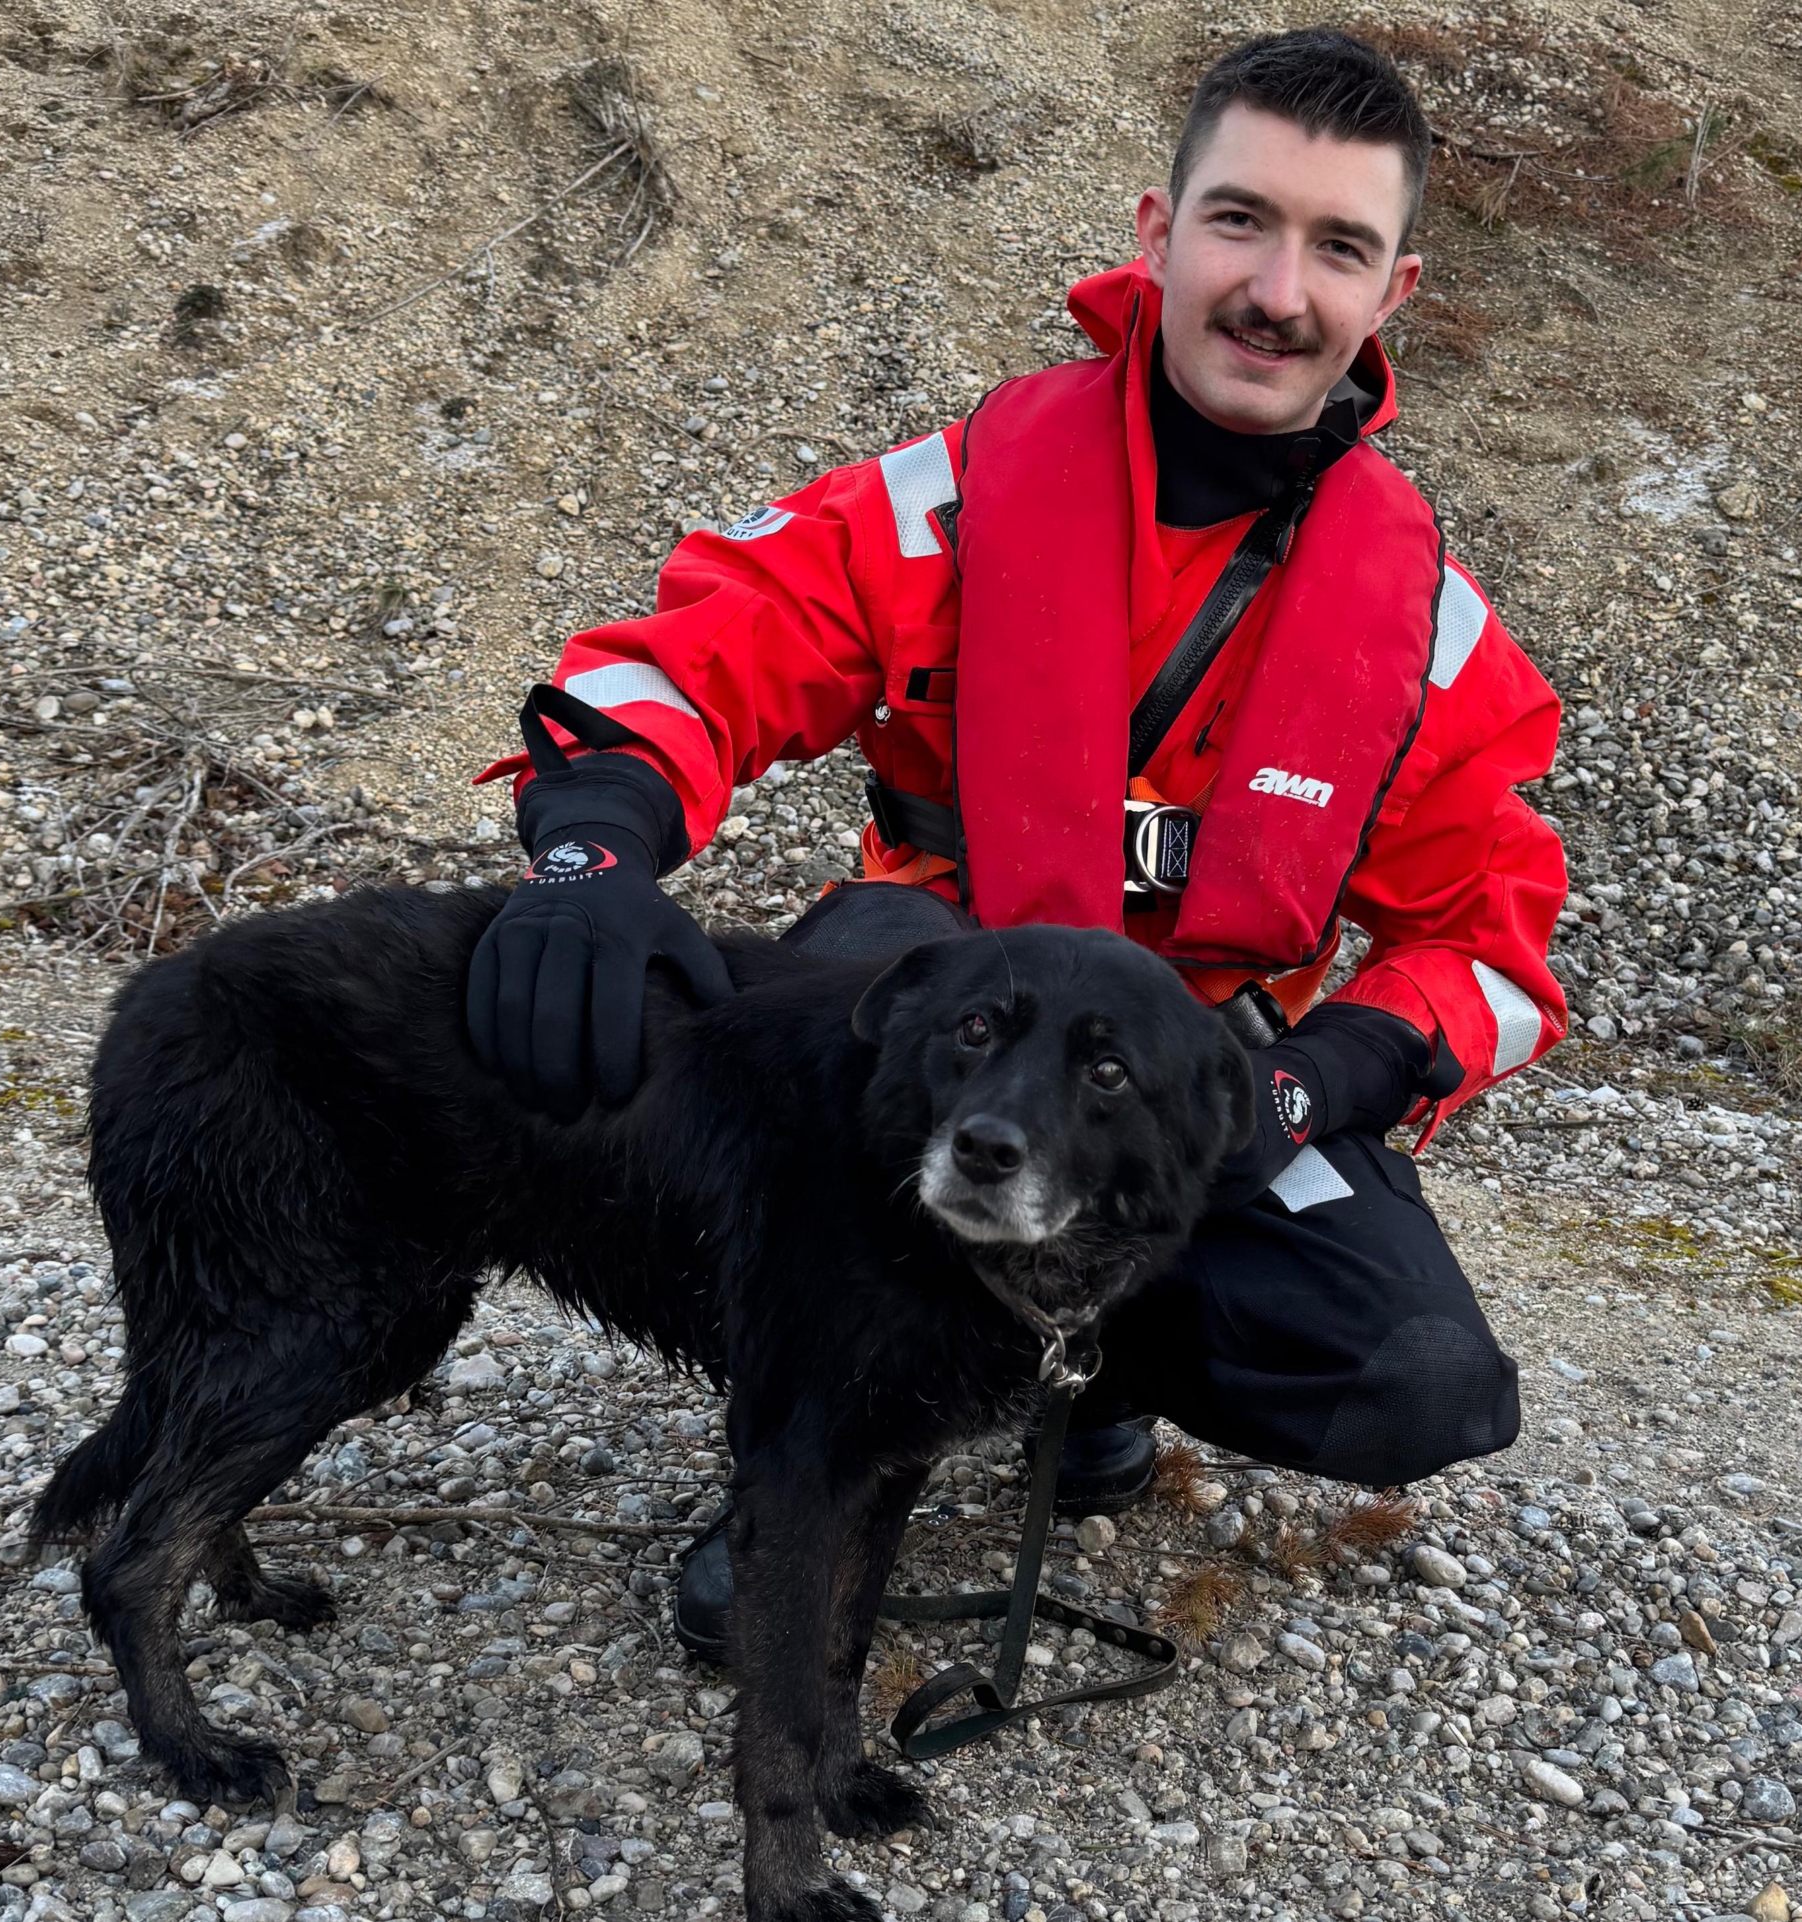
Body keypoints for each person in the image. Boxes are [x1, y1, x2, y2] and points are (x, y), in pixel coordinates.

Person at [465, 28, 1568, 1660]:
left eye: (1335, 247)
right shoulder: (959, 498)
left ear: (1387, 296)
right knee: (799, 1029)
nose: (1276, 288)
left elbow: (1488, 950)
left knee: (1412, 1371)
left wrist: (1313, 1080)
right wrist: (592, 851)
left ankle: (1097, 1367)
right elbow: (694, 657)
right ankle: (815, 1443)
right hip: (943, 998)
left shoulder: (1433, 637)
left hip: (1196, 1075)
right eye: (1239, 221)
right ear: (1154, 231)